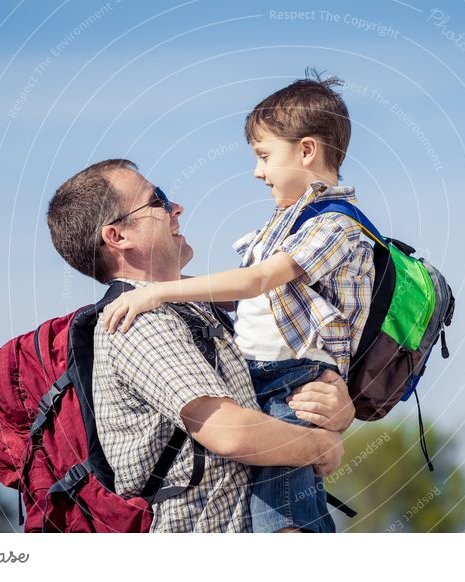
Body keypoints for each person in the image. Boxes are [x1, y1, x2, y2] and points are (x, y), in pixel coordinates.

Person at [102, 74, 375, 532]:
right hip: (269, 375)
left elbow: (257, 281)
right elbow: (248, 295)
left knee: (282, 519)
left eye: (264, 156)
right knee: (275, 504)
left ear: (306, 151)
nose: (257, 171)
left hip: (292, 378)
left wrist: (159, 290)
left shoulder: (333, 225)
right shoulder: (289, 219)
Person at [46, 158, 355, 533]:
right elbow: (230, 432)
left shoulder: (190, 309)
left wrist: (333, 407)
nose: (176, 208)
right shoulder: (138, 321)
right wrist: (321, 446)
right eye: (157, 200)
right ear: (117, 236)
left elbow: (274, 403)